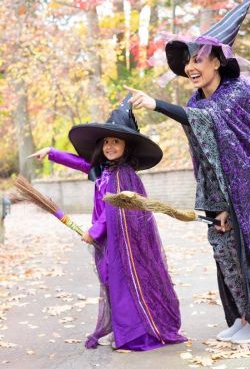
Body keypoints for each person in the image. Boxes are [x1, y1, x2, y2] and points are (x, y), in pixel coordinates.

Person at [124, 0, 250, 344]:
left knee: (249, 251)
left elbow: (208, 123)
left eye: (198, 59)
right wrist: (219, 201)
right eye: (188, 62)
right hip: (222, 187)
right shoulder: (196, 100)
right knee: (224, 253)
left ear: (217, 60)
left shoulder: (234, 94)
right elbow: (203, 144)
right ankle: (240, 317)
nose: (191, 67)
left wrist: (157, 104)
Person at [29, 94, 186, 351]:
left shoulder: (123, 174)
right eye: (107, 142)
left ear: (127, 146)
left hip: (122, 241)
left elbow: (114, 208)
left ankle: (135, 336)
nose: (110, 146)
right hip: (111, 238)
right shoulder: (107, 169)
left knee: (125, 282)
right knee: (115, 282)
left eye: (117, 141)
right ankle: (130, 331)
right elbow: (83, 164)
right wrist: (52, 153)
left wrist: (94, 230)